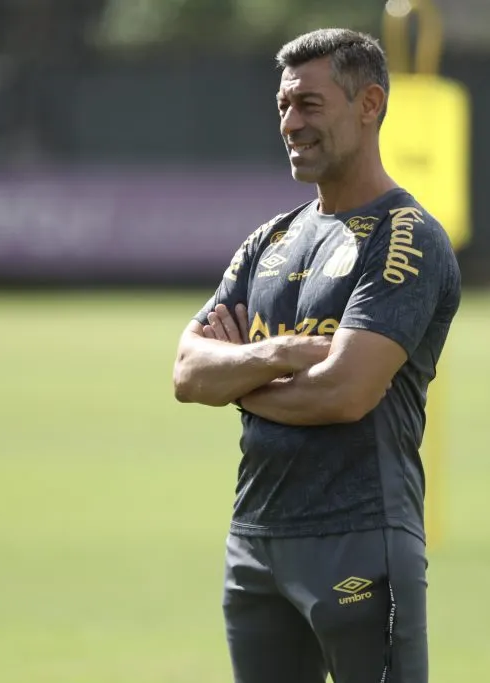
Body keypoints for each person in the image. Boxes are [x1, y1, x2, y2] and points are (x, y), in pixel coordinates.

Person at [172, 27, 461, 683]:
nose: (290, 123)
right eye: (283, 105)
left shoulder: (405, 238)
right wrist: (286, 352)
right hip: (255, 540)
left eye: (309, 104)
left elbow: (345, 393)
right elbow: (189, 372)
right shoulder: (269, 239)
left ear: (369, 104)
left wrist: (239, 376)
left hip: (358, 535)